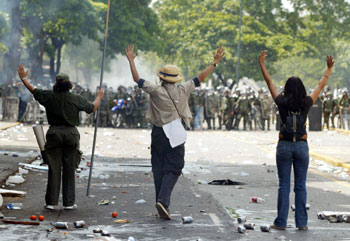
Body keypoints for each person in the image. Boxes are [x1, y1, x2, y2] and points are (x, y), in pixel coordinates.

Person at [125, 44, 224, 220]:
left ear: (161, 78)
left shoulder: (155, 90)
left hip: (158, 133)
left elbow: (136, 79)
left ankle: (162, 203)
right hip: (176, 132)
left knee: (158, 168)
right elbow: (200, 77)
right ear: (176, 79)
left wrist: (132, 61)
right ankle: (163, 200)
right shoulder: (183, 89)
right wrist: (214, 63)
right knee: (174, 167)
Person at [259, 50, 334, 230]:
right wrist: (328, 69)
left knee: (284, 184)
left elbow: (269, 82)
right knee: (300, 186)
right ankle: (302, 223)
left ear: (286, 87)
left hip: (284, 145)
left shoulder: (281, 101)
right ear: (302, 90)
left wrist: (262, 63)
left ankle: (281, 222)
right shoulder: (307, 102)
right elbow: (320, 85)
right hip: (301, 145)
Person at [17, 64, 104, 210]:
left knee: (54, 168)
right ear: (69, 85)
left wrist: (24, 78)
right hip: (71, 134)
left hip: (54, 134)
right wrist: (99, 97)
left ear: (56, 84)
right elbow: (92, 108)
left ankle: (51, 202)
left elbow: (33, 91)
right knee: (70, 168)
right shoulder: (76, 98)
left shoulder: (49, 96)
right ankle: (69, 203)